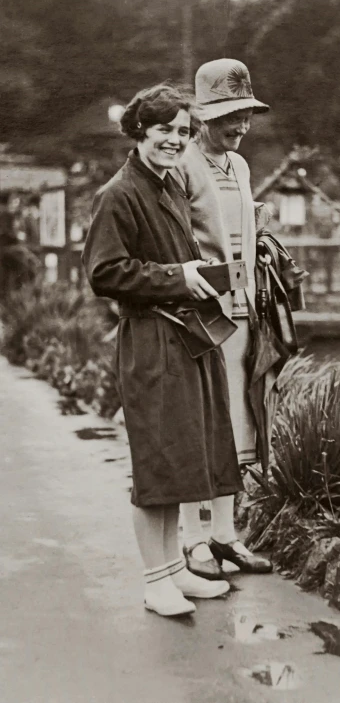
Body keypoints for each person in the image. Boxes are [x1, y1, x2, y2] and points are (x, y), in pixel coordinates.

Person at [83, 83, 244, 617]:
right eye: (163, 131)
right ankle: (155, 580)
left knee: (185, 454)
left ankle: (176, 569)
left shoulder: (167, 183)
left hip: (184, 335)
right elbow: (105, 273)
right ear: (138, 131)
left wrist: (199, 271)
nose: (175, 141)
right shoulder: (120, 193)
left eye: (181, 131)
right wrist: (180, 275)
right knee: (158, 461)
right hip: (151, 339)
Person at [172, 59, 273, 579]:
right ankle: (193, 540)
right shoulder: (183, 162)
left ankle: (226, 536)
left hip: (242, 311)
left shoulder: (241, 165)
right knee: (200, 423)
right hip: (201, 314)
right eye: (231, 114)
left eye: (247, 114)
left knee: (237, 421)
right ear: (204, 116)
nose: (240, 125)